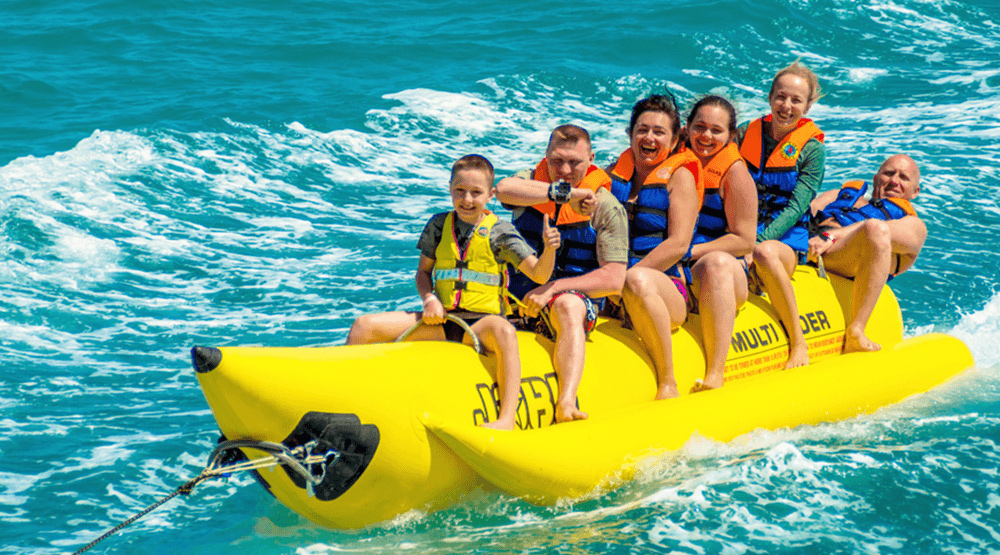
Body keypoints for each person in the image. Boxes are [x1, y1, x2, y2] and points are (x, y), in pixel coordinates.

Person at [346, 154, 562, 431]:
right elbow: (423, 273)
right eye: (460, 191)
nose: (467, 199)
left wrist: (550, 249)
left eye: (476, 192)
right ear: (450, 189)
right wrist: (429, 298)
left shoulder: (500, 231)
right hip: (443, 319)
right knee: (364, 326)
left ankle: (506, 418)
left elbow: (539, 274)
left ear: (490, 195)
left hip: (483, 323)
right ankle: (348, 403)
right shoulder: (438, 225)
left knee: (506, 333)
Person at [496, 124, 628, 422]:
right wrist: (566, 194)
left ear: (591, 159)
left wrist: (553, 288)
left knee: (567, 305)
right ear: (545, 156)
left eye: (575, 163)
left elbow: (613, 278)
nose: (564, 170)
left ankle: (566, 401)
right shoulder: (529, 185)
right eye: (556, 161)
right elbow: (502, 189)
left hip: (575, 301)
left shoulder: (605, 206)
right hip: (517, 298)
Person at [607, 94, 702, 400]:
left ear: (674, 141)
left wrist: (622, 280)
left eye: (659, 132)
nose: (649, 138)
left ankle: (669, 380)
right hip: (614, 285)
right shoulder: (612, 175)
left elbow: (678, 244)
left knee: (637, 280)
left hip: (666, 288)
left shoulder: (680, 177)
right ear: (630, 134)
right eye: (642, 130)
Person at [738, 61, 826, 369]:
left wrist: (755, 242)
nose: (786, 106)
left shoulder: (812, 151)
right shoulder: (745, 134)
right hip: (739, 233)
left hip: (784, 242)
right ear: (770, 97)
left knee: (763, 253)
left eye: (796, 100)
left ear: (808, 105)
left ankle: (798, 342)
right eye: (781, 97)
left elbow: (796, 207)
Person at [807, 154, 927, 352]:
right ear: (875, 179)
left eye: (903, 177)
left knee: (875, 230)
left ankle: (857, 329)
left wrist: (831, 237)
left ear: (915, 192)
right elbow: (806, 211)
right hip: (806, 245)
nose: (894, 181)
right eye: (889, 173)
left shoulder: (914, 226)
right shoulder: (840, 195)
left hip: (841, 259)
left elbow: (877, 229)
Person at [684, 95, 758, 391]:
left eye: (716, 130)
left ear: (730, 136)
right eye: (699, 127)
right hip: (676, 261)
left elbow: (744, 240)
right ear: (686, 128)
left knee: (716, 265)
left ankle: (716, 371)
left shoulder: (735, 173)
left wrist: (689, 252)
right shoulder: (670, 161)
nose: (706, 136)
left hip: (723, 267)